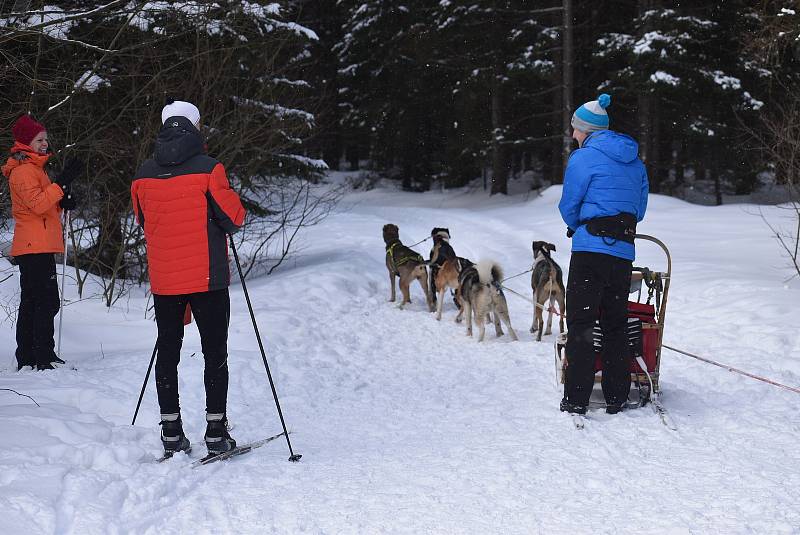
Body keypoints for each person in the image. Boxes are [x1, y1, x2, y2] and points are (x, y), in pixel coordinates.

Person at [131, 100, 246, 456]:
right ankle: (215, 432)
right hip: (206, 276)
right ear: (197, 128)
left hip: (166, 280)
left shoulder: (143, 174)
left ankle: (170, 432)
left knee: (168, 352)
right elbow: (235, 218)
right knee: (215, 352)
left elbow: (141, 219)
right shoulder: (210, 168)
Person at [558, 93, 649, 415]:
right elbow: (638, 209)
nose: (573, 135)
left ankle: (577, 398)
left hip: (589, 251)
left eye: (575, 129)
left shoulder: (583, 159)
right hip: (623, 251)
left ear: (587, 130)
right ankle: (616, 395)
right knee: (615, 323)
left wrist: (578, 225)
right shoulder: (635, 161)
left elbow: (569, 204)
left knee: (582, 322)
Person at [2, 115, 80, 371]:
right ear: (26, 142)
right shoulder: (24, 171)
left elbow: (45, 204)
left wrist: (62, 201)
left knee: (35, 300)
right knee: (45, 301)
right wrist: (61, 183)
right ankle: (40, 355)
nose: (45, 143)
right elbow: (36, 205)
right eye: (39, 139)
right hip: (33, 246)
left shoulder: (36, 169)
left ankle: (31, 354)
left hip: (39, 244)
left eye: (45, 139)